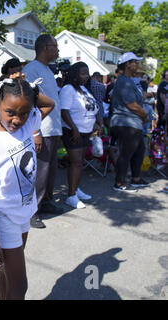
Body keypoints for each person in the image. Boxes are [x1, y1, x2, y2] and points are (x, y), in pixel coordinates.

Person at [0, 78, 54, 299]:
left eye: (24, 113)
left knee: (8, 274)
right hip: (3, 218)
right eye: (10, 112)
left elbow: (48, 104)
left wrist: (29, 87)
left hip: (24, 212)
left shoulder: (29, 123)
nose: (17, 119)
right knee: (20, 285)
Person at [22, 34, 63, 228]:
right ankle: (32, 211)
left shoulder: (47, 70)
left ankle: (46, 202)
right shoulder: (31, 70)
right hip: (42, 130)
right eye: (55, 46)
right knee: (39, 172)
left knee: (50, 171)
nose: (57, 50)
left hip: (53, 129)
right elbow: (29, 102)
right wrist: (35, 132)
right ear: (46, 48)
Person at [60, 62, 103, 209]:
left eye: (87, 73)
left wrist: (100, 124)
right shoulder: (68, 89)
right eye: (83, 73)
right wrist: (74, 129)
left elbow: (95, 109)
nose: (87, 76)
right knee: (76, 162)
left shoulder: (85, 89)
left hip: (87, 131)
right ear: (75, 74)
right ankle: (71, 196)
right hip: (73, 132)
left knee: (81, 162)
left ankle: (76, 189)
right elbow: (64, 111)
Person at [110, 52, 149, 192]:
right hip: (126, 123)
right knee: (126, 153)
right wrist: (145, 116)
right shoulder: (124, 81)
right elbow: (131, 104)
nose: (137, 65)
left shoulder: (129, 80)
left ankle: (136, 179)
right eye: (135, 62)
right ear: (127, 64)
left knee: (139, 150)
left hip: (133, 123)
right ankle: (119, 183)